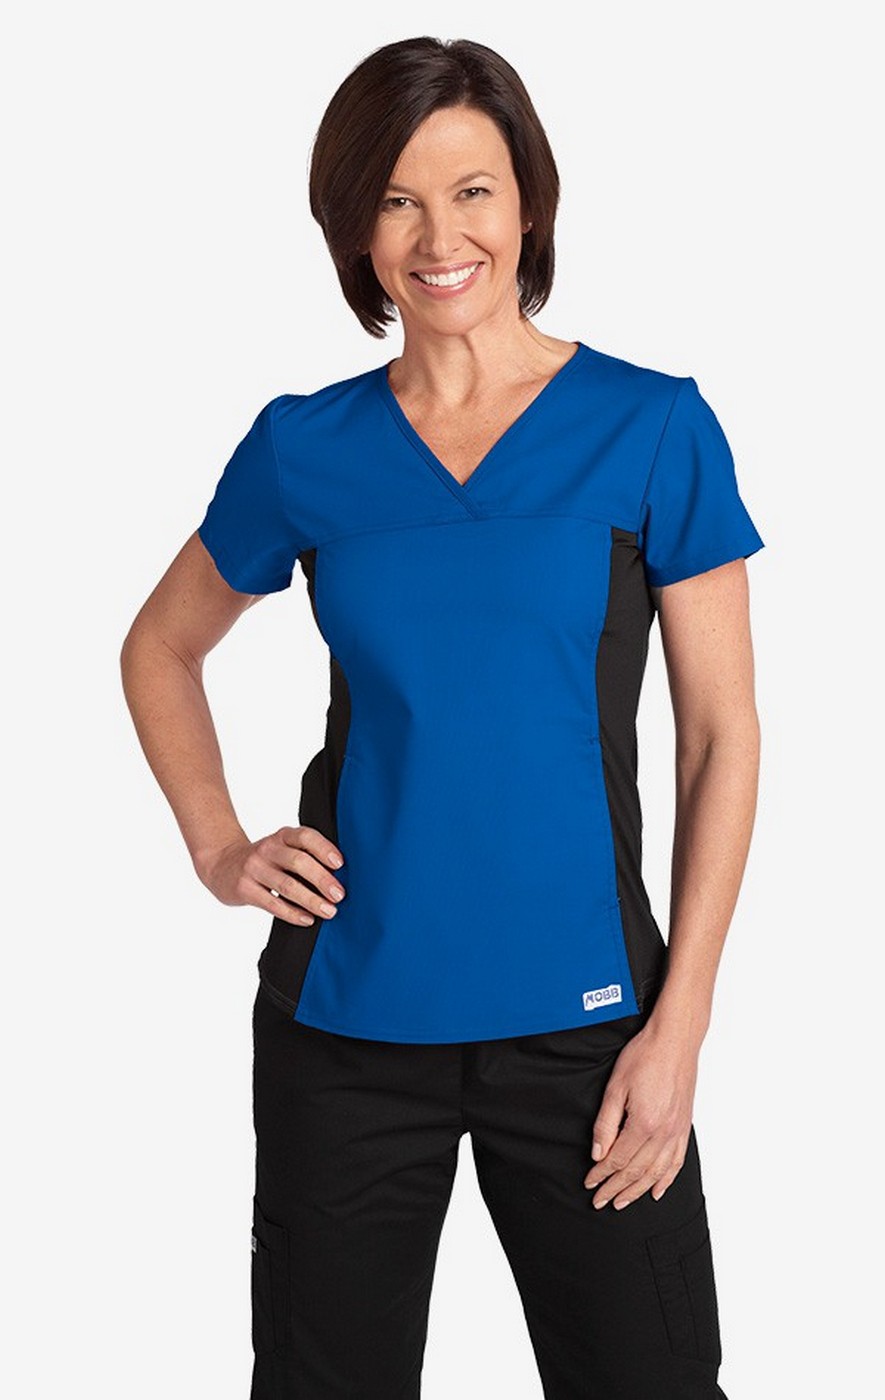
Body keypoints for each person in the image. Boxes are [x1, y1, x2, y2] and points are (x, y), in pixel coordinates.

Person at [120, 35, 764, 1400]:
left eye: (472, 192)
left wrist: (680, 1027)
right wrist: (220, 846)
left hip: (593, 1030)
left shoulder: (650, 427)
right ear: (356, 230)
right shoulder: (305, 446)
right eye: (397, 201)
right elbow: (160, 648)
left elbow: (719, 738)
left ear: (528, 201)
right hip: (346, 1024)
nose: (438, 237)